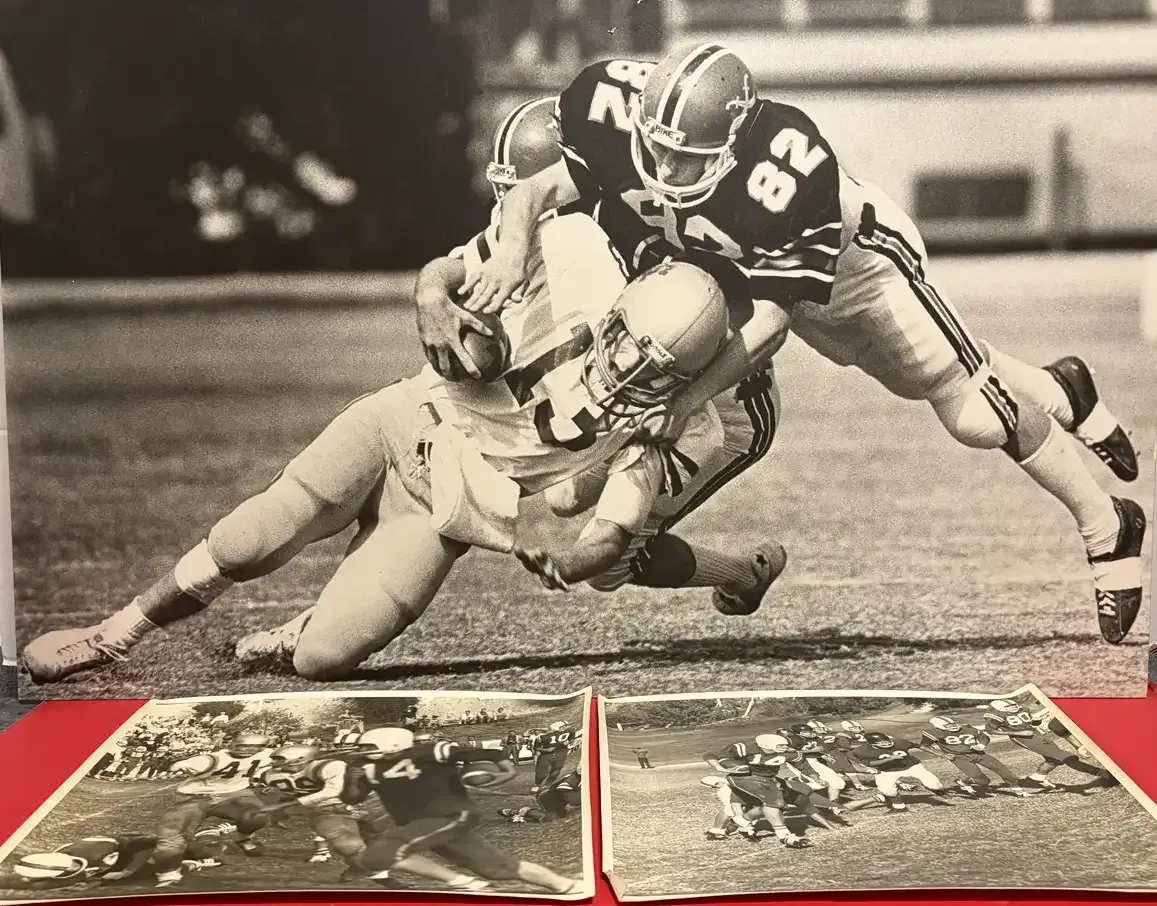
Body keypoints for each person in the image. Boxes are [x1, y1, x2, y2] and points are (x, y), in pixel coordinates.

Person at [463, 43, 1146, 646]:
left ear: (733, 143)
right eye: (658, 147)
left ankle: (1106, 526)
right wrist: (510, 255)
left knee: (971, 410)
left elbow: (769, 323)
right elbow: (539, 190)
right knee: (921, 378)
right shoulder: (609, 108)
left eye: (686, 157)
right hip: (755, 275)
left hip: (856, 269)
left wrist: (685, 402)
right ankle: (1061, 389)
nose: (664, 167)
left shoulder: (787, 168)